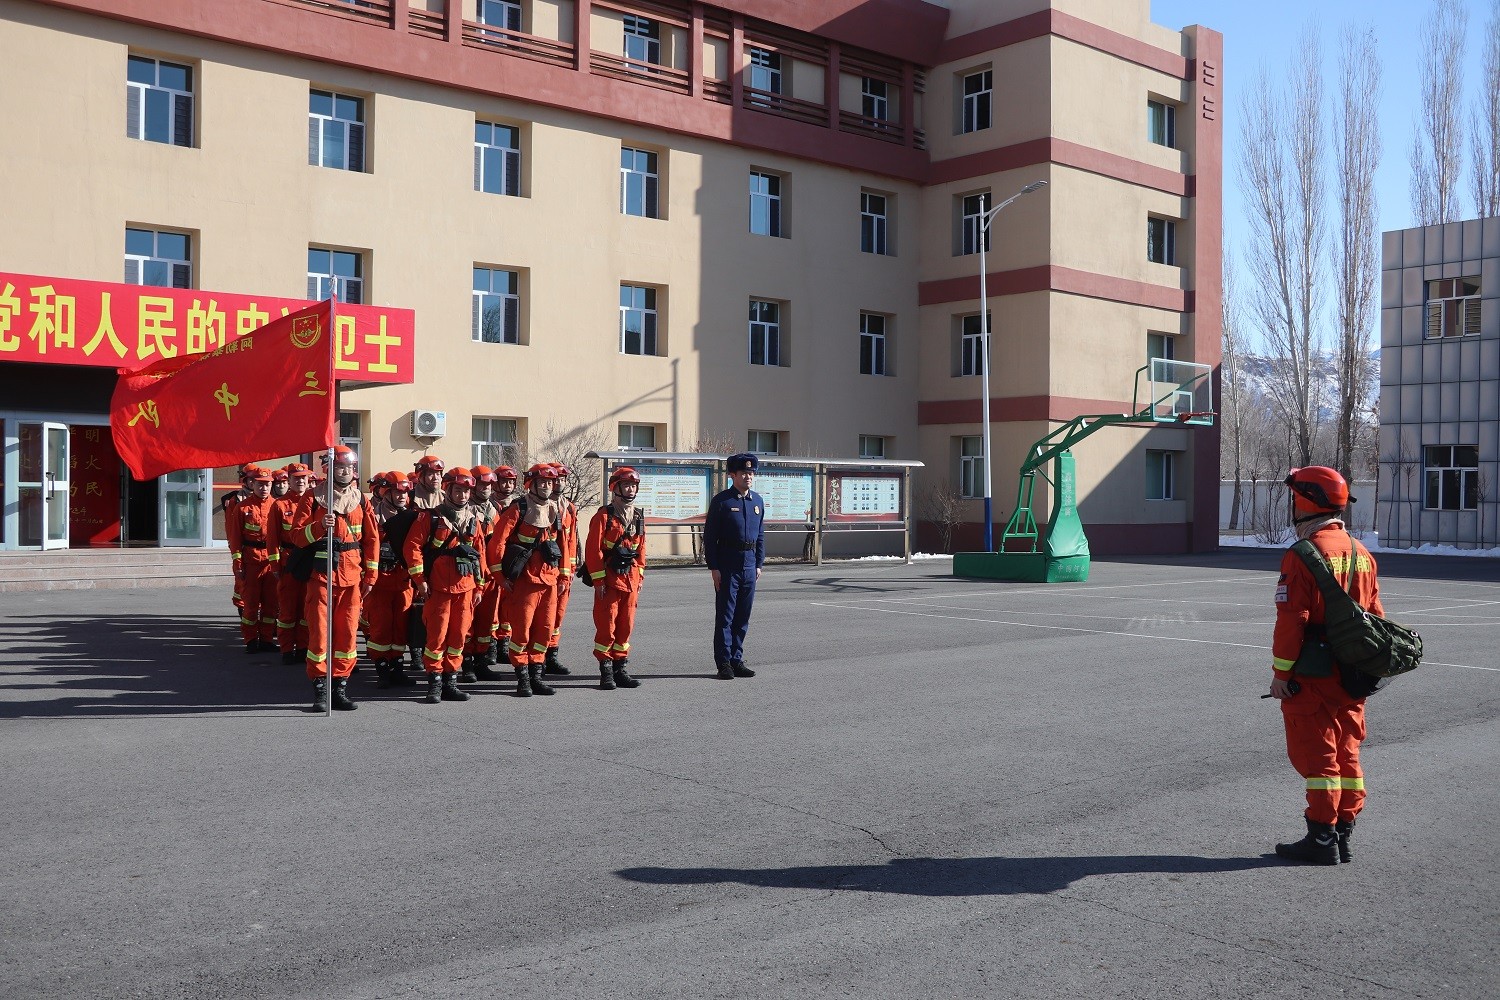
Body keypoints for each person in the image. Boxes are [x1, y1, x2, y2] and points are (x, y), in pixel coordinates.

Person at [1269, 466, 1382, 865]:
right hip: (1352, 672)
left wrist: (1282, 675)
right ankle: (1342, 832)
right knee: (1348, 750)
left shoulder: (1303, 555)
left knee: (1318, 757)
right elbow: (1376, 616)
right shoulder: (1362, 553)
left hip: (1313, 673)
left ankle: (1320, 837)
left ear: (1304, 502)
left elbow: (1292, 620)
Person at [292, 446, 378, 711]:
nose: (345, 472)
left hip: (352, 575)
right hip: (322, 574)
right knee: (319, 634)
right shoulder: (313, 497)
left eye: (349, 467)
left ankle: (340, 687)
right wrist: (319, 527)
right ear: (329, 469)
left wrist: (371, 574)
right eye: (339, 467)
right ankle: (320, 688)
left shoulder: (361, 499)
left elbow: (372, 538)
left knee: (347, 634)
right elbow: (296, 536)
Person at [405, 467, 485, 704]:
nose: (462, 495)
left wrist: (479, 586)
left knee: (459, 636)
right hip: (438, 588)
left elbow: (479, 554)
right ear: (448, 489)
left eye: (466, 491)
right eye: (458, 490)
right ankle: (434, 683)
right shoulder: (430, 517)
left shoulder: (473, 518)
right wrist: (420, 581)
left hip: (466, 587)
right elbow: (413, 549)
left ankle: (451, 681)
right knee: (436, 638)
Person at [488, 463, 564, 698]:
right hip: (524, 581)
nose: (546, 486)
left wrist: (563, 575)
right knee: (521, 631)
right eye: (542, 482)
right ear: (531, 485)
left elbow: (563, 544)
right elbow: (497, 544)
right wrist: (500, 577)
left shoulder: (555, 510)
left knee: (544, 630)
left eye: (550, 483)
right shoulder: (517, 509)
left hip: (549, 580)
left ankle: (537, 675)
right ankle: (522, 678)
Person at [703, 453, 765, 679]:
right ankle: (724, 663)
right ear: (733, 475)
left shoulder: (757, 501)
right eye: (744, 473)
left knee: (743, 616)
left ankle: (737, 658)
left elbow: (760, 536)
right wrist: (714, 567)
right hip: (728, 565)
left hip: (749, 565)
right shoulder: (722, 501)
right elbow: (710, 538)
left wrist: (759, 563)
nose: (748, 477)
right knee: (726, 617)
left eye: (751, 473)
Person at [584, 466, 647, 690]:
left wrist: (639, 576)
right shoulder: (603, 516)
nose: (630, 489)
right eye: (626, 485)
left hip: (629, 581)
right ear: (615, 488)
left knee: (625, 625)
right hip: (609, 582)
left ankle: (621, 668)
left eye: (633, 485)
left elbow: (641, 551)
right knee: (606, 625)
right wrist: (599, 581)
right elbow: (593, 551)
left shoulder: (638, 515)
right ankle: (606, 671)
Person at [366, 471, 418, 688]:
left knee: (401, 627)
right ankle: (382, 670)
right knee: (381, 626)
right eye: (397, 492)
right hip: (380, 580)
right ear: (386, 492)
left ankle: (397, 668)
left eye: (405, 492)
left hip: (403, 579)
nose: (401, 496)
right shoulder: (372, 516)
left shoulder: (413, 517)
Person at [224, 465, 278, 654]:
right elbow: (235, 538)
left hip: (271, 562)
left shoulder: (276, 505)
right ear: (252, 484)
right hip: (251, 560)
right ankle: (250, 639)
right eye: (260, 484)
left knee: (271, 604)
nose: (264, 488)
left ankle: (266, 639)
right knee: (251, 604)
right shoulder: (242, 507)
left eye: (267, 484)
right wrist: (237, 563)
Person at [462, 466, 507, 681]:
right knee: (468, 621)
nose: (486, 489)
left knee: (486, 622)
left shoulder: (493, 509)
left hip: (490, 574)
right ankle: (466, 663)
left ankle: (481, 662)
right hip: (471, 573)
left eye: (489, 485)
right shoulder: (466, 509)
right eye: (482, 485)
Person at [269, 462, 314, 664]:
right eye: (297, 478)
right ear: (289, 480)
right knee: (287, 610)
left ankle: (303, 648)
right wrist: (276, 566)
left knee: (306, 608)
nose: (301, 481)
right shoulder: (279, 505)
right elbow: (272, 539)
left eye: (304, 478)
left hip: (309, 560)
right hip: (289, 562)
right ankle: (287, 649)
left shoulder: (315, 502)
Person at [544, 462, 579, 676]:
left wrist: (571, 568)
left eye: (563, 479)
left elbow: (572, 541)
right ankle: (535, 659)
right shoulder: (540, 505)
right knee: (542, 616)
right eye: (555, 478)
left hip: (563, 569)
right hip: (545, 567)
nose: (559, 483)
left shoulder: (569, 507)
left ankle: (552, 655)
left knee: (557, 615)